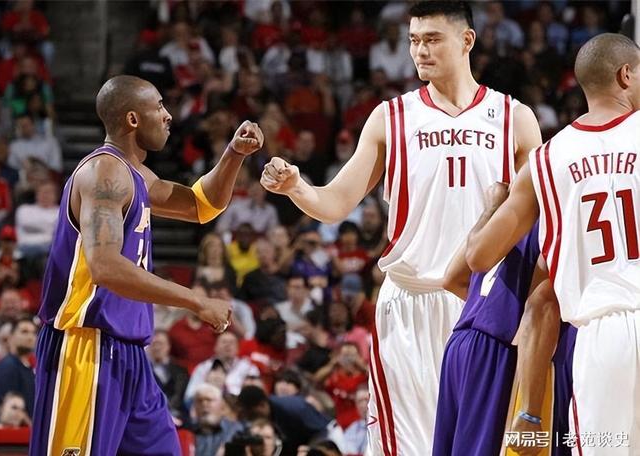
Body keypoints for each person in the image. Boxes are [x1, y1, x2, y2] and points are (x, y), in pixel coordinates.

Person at [260, 2, 542, 453]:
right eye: (414, 40)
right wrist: (298, 187)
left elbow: (537, 219)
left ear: (466, 40)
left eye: (432, 39)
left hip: (480, 306)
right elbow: (336, 203)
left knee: (481, 445)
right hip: (409, 303)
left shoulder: (515, 118)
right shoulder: (390, 117)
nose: (420, 51)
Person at [29, 75, 264, 456]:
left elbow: (201, 206)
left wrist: (234, 154)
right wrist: (195, 300)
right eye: (159, 107)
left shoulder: (136, 174)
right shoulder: (104, 173)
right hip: (86, 347)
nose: (168, 115)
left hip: (129, 355)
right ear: (133, 119)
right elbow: (105, 266)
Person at [465, 34, 640, 455]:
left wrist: (491, 206)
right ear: (626, 75)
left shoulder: (546, 159)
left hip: (603, 336)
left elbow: (479, 256)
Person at [434, 183, 561, 455]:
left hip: (459, 344)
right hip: (498, 348)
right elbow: (541, 306)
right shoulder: (555, 215)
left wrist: (491, 207)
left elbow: (452, 279)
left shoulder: (504, 210)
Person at [0, 317, 37, 424]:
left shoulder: (28, 367)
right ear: (10, 337)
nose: (30, 337)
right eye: (24, 332)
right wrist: (33, 428)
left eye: (33, 333)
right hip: (8, 431)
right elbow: (11, 409)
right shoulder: (7, 366)